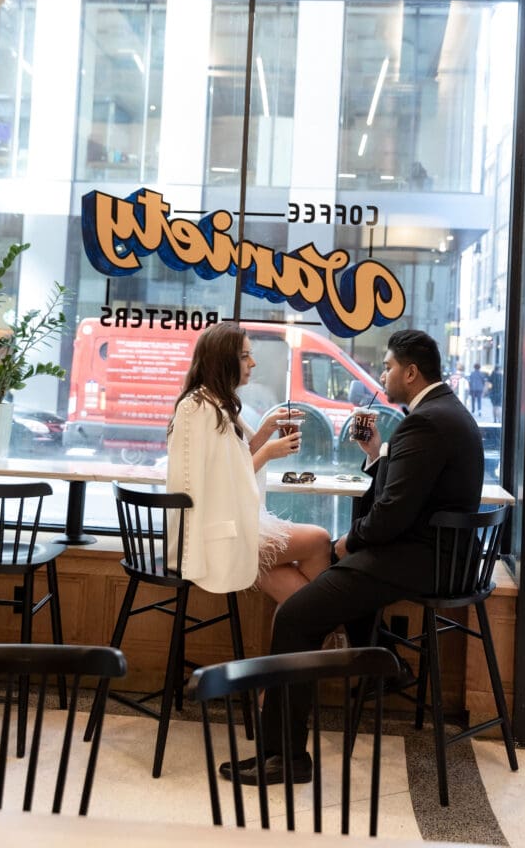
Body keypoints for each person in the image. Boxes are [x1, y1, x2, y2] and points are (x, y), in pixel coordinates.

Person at [220, 328, 484, 786]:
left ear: (411, 371)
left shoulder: (426, 423)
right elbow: (410, 496)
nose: (384, 375)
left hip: (418, 560)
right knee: (327, 591)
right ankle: (379, 658)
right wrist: (375, 454)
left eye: (387, 366)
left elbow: (389, 520)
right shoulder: (448, 414)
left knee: (296, 617)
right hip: (441, 557)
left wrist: (347, 542)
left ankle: (285, 756)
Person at [166, 322, 332, 604]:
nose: (253, 363)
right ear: (223, 360)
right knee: (319, 539)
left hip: (222, 523)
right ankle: (327, 633)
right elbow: (221, 482)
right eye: (244, 356)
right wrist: (268, 452)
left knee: (282, 575)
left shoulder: (215, 402)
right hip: (209, 537)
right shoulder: (197, 408)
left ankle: (315, 636)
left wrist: (265, 431)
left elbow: (231, 462)